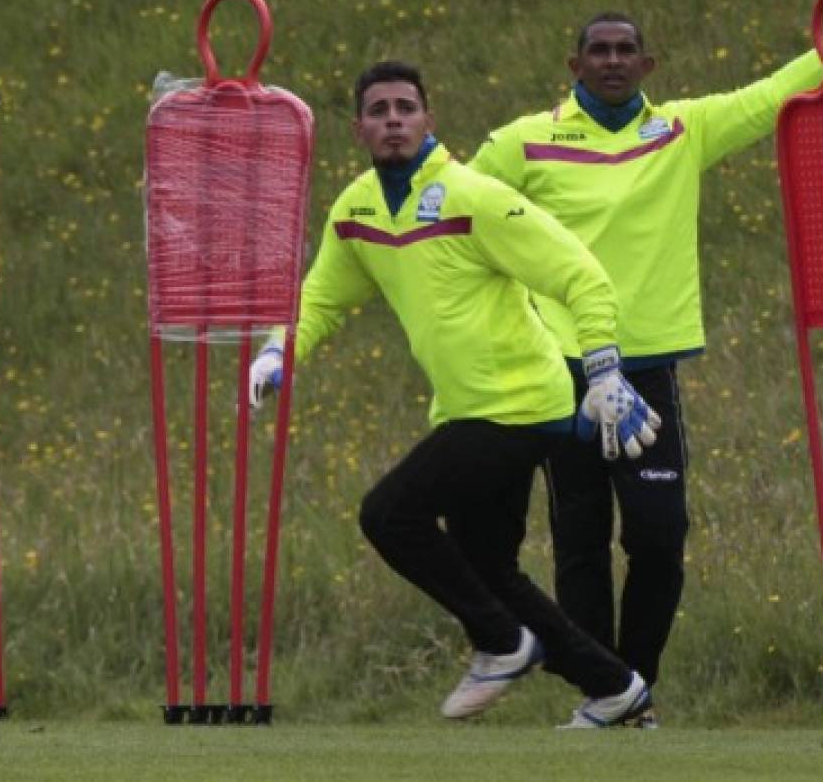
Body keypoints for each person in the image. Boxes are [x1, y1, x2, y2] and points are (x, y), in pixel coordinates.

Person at [468, 0, 823, 726]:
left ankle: (635, 686)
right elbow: (459, 208)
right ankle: (608, 696)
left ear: (649, 67)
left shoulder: (680, 131)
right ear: (575, 64)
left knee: (659, 538)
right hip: (560, 376)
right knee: (580, 545)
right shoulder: (523, 142)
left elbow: (768, 97)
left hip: (647, 371)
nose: (613, 61)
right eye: (599, 50)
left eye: (627, 50)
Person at [248, 60, 661, 728]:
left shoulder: (475, 196)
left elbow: (579, 274)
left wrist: (605, 370)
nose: (393, 120)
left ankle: (500, 644)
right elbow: (320, 299)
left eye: (405, 108)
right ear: (359, 128)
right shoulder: (356, 210)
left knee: (389, 515)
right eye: (379, 111)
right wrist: (276, 350)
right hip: (467, 409)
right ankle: (616, 689)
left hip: (521, 402)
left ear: (429, 120)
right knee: (489, 568)